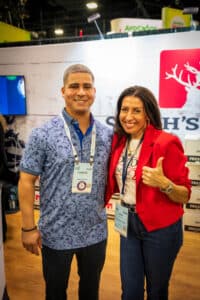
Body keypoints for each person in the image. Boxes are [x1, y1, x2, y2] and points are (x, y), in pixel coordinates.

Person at [18, 64, 113, 300]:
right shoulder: (43, 134)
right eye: (74, 86)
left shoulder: (108, 135)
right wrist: (28, 227)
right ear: (63, 91)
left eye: (87, 86)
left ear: (94, 91)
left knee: (91, 291)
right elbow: (26, 181)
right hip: (55, 233)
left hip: (95, 231)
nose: (81, 92)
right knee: (55, 292)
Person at [105, 85, 191, 300]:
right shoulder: (119, 141)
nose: (128, 116)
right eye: (124, 110)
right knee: (130, 290)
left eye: (137, 110)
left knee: (157, 290)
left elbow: (185, 194)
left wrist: (164, 184)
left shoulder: (166, 143)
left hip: (159, 228)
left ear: (148, 113)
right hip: (127, 222)